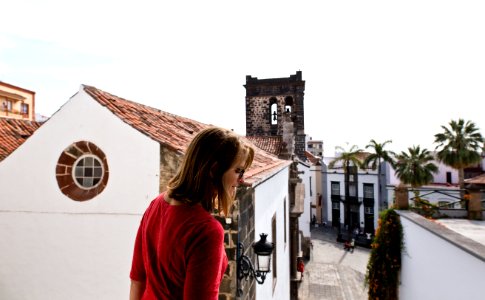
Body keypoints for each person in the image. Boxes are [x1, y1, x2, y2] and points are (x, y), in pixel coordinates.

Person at [129, 127, 255, 300]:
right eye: (238, 171)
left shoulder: (155, 205)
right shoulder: (205, 230)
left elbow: (138, 280)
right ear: (214, 169)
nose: (241, 180)